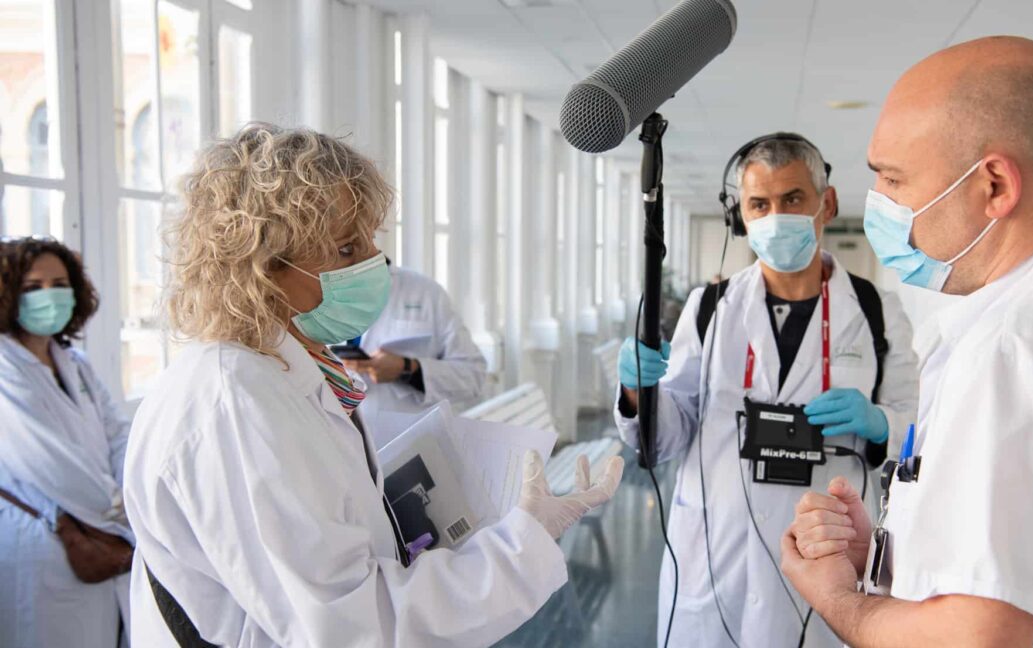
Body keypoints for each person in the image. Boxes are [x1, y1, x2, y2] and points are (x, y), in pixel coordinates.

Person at [122, 123, 624, 647]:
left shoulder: (281, 370)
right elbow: (354, 627)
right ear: (263, 265)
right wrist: (524, 542)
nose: (372, 261)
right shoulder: (232, 400)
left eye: (370, 239)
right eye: (345, 248)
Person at [781, 36, 1033, 647]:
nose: (881, 208)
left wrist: (838, 598)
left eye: (894, 180)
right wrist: (894, 553)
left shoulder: (1019, 342)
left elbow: (977, 639)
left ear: (995, 185)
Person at [615, 133, 919, 647]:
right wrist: (636, 391)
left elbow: (915, 421)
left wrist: (879, 421)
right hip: (717, 551)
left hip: (826, 552)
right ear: (742, 217)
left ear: (828, 204)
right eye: (760, 204)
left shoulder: (874, 308)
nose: (776, 216)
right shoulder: (710, 306)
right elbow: (666, 436)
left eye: (793, 199)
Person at [0, 237, 134, 648]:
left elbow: (117, 434)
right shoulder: (5, 366)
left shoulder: (74, 363)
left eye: (59, 284)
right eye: (33, 287)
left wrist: (129, 493)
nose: (50, 296)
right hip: (44, 537)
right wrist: (118, 508)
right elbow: (46, 460)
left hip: (103, 530)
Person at [344, 264, 487, 446]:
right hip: (341, 447)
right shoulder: (315, 294)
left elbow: (473, 375)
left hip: (409, 446)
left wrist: (408, 369)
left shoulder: (425, 292)